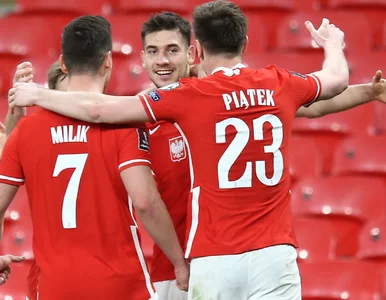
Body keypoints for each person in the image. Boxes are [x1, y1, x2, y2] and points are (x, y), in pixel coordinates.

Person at [0, 15, 189, 300]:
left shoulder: (28, 131)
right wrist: (178, 261)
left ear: (63, 63)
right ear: (108, 62)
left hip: (52, 287)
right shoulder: (124, 125)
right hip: (120, 285)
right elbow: (145, 202)